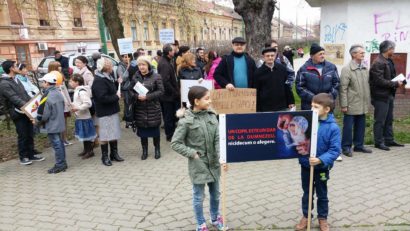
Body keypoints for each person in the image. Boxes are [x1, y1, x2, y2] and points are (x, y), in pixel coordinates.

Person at [171, 86, 227, 231]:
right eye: (206, 98)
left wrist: (221, 157)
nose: (210, 101)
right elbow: (175, 143)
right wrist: (192, 153)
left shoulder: (212, 116)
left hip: (213, 162)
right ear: (196, 101)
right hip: (198, 164)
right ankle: (200, 223)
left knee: (215, 194)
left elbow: (217, 138)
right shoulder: (185, 121)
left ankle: (215, 218)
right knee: (199, 196)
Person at [295, 93, 341, 231]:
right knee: (307, 193)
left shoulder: (333, 128)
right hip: (306, 166)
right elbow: (298, 141)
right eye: (311, 106)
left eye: (316, 107)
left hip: (322, 168)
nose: (312, 109)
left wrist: (321, 159)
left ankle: (322, 218)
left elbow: (335, 150)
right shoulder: (306, 123)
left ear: (326, 109)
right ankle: (306, 215)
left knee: (322, 193)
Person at [0, 61, 45, 165]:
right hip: (17, 113)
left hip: (26, 111)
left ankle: (31, 154)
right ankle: (23, 156)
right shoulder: (4, 83)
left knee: (30, 133)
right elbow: (14, 98)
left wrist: (32, 102)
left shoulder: (15, 79)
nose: (18, 67)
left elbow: (24, 94)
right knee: (23, 135)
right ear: (11, 69)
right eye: (15, 66)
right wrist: (28, 106)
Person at [369, 40, 405, 151]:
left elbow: (389, 76)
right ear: (387, 49)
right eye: (392, 49)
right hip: (380, 96)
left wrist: (399, 80)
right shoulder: (378, 62)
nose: (393, 51)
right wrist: (395, 83)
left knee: (389, 119)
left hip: (388, 94)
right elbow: (378, 81)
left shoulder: (388, 60)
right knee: (380, 120)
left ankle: (389, 140)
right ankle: (378, 142)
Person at [339, 45, 372, 157]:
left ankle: (359, 145)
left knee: (361, 126)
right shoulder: (347, 69)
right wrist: (344, 105)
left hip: (362, 103)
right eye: (361, 52)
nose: (363, 54)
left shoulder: (364, 68)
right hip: (351, 104)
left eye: (363, 52)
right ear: (353, 54)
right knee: (348, 127)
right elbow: (343, 89)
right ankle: (346, 147)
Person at [130, 56, 164, 160]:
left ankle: (157, 149)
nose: (141, 67)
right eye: (139, 65)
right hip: (140, 109)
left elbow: (161, 91)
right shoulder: (135, 77)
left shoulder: (156, 76)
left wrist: (148, 97)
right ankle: (144, 151)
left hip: (153, 108)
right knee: (143, 133)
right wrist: (136, 96)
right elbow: (130, 91)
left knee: (155, 132)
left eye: (143, 64)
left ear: (148, 65)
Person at [92, 58, 124, 166]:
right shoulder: (99, 81)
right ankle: (104, 156)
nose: (112, 68)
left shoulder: (107, 77)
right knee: (105, 135)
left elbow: (110, 89)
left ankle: (114, 154)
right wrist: (116, 97)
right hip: (105, 112)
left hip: (112, 110)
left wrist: (116, 82)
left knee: (114, 132)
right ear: (106, 68)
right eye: (111, 66)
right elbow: (102, 98)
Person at [36, 73, 67, 174]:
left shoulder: (47, 96)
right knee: (60, 144)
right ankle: (63, 163)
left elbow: (44, 115)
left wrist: (37, 120)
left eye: (43, 82)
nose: (42, 83)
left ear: (47, 83)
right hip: (60, 122)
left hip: (52, 124)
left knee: (57, 145)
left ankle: (60, 165)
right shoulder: (58, 92)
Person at [296, 43, 340, 110]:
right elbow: (300, 87)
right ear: (312, 56)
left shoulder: (331, 67)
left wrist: (329, 97)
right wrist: (314, 98)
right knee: (311, 121)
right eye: (320, 54)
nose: (322, 56)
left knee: (327, 120)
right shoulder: (303, 69)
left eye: (323, 53)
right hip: (310, 106)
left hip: (327, 106)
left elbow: (336, 83)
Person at [255, 47, 295, 112]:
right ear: (264, 57)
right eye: (267, 56)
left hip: (281, 105)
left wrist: (290, 101)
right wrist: (258, 108)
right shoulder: (258, 72)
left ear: (275, 55)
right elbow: (257, 90)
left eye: (272, 55)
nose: (270, 57)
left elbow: (286, 86)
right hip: (266, 107)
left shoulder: (282, 69)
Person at [69, 74, 97, 160]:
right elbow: (78, 102)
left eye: (71, 81)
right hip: (80, 116)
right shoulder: (77, 91)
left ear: (77, 82)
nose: (70, 82)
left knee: (87, 134)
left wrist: (78, 108)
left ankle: (90, 151)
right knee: (84, 134)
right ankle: (86, 150)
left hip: (85, 117)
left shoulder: (82, 91)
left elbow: (88, 103)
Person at [158, 44, 180, 142]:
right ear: (169, 52)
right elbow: (165, 81)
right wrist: (174, 92)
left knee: (171, 116)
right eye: (173, 50)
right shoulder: (164, 64)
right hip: (167, 96)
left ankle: (171, 134)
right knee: (168, 116)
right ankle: (170, 135)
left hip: (169, 95)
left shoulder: (166, 61)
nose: (174, 51)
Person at [48, 61, 72, 146]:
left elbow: (65, 90)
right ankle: (60, 140)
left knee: (64, 122)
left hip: (64, 101)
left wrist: (69, 102)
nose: (60, 68)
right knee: (59, 122)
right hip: (57, 103)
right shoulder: (50, 78)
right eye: (58, 66)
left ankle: (65, 138)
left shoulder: (60, 76)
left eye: (60, 66)